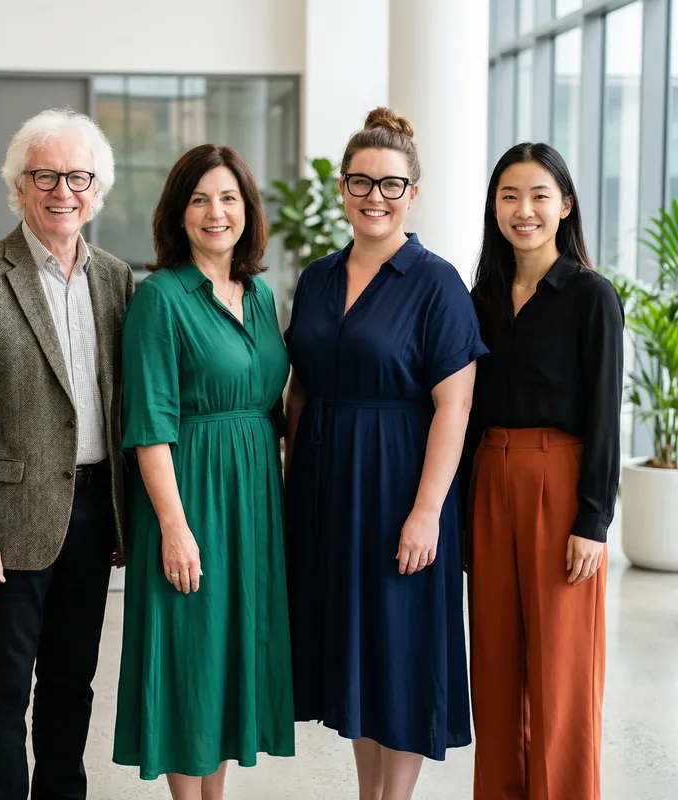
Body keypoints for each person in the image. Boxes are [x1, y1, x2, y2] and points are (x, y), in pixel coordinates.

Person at [0, 108, 132, 800]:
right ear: (19, 187)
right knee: (2, 691)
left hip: (94, 513)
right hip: (9, 521)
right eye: (44, 176)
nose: (62, 191)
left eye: (78, 177)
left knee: (72, 685)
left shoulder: (116, 280)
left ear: (97, 190)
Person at [283, 107, 485, 800]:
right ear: (342, 189)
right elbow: (299, 388)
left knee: (399, 652)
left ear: (413, 193)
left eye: (391, 185)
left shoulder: (436, 283)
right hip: (326, 488)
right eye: (361, 183)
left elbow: (455, 406)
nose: (375, 197)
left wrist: (427, 513)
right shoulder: (317, 278)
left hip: (400, 486)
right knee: (357, 658)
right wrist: (292, 486)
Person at [112, 144, 294, 799]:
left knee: (225, 657)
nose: (216, 212)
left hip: (253, 500)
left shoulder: (260, 295)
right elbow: (149, 426)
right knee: (190, 656)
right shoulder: (160, 298)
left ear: (247, 210)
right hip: (190, 496)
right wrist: (174, 527)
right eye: (199, 199)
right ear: (177, 213)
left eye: (228, 198)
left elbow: (274, 408)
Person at [463, 142, 624, 800]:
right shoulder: (481, 299)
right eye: (509, 196)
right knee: (495, 667)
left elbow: (607, 412)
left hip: (560, 485)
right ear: (494, 208)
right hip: (489, 482)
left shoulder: (591, 296)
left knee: (561, 672)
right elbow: (466, 412)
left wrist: (594, 519)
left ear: (565, 205)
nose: (523, 210)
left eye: (538, 195)